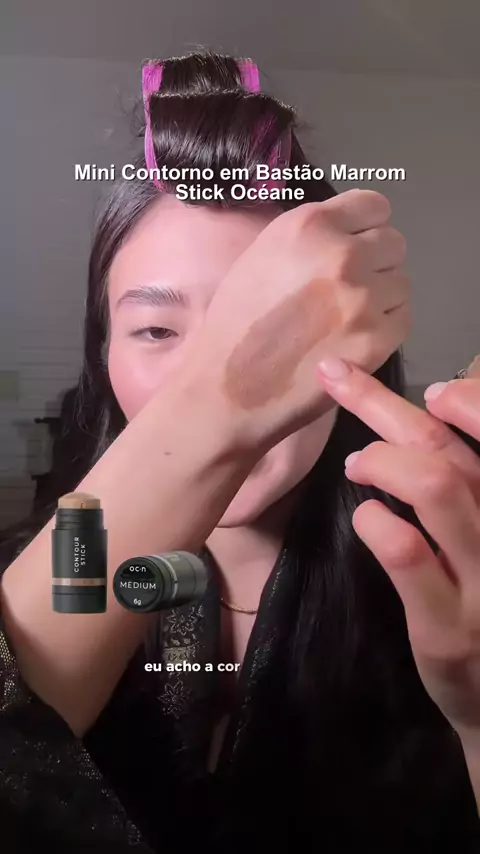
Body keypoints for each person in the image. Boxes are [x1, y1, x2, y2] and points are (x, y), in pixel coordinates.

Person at [0, 51, 479, 852]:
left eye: (271, 329)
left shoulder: (449, 583)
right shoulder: (36, 571)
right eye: (157, 330)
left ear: (363, 348)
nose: (221, 375)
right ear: (101, 352)